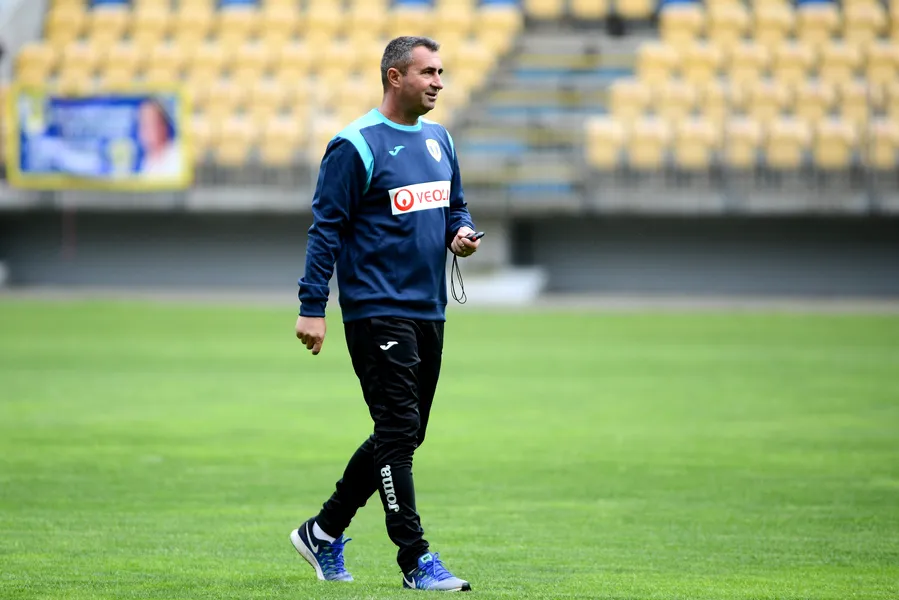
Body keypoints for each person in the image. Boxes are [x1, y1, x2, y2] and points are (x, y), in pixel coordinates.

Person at [291, 36, 480, 592]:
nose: (439, 82)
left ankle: (323, 531)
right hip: (376, 309)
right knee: (398, 429)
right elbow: (325, 229)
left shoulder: (440, 139)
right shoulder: (355, 145)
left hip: (429, 308)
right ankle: (415, 560)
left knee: (404, 433)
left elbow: (455, 206)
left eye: (441, 72)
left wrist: (460, 233)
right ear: (395, 77)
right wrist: (312, 306)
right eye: (428, 72)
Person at [136, 98, 181, 177]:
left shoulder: (178, 155)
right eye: (143, 124)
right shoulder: (146, 163)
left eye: (151, 123)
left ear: (163, 125)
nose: (145, 131)